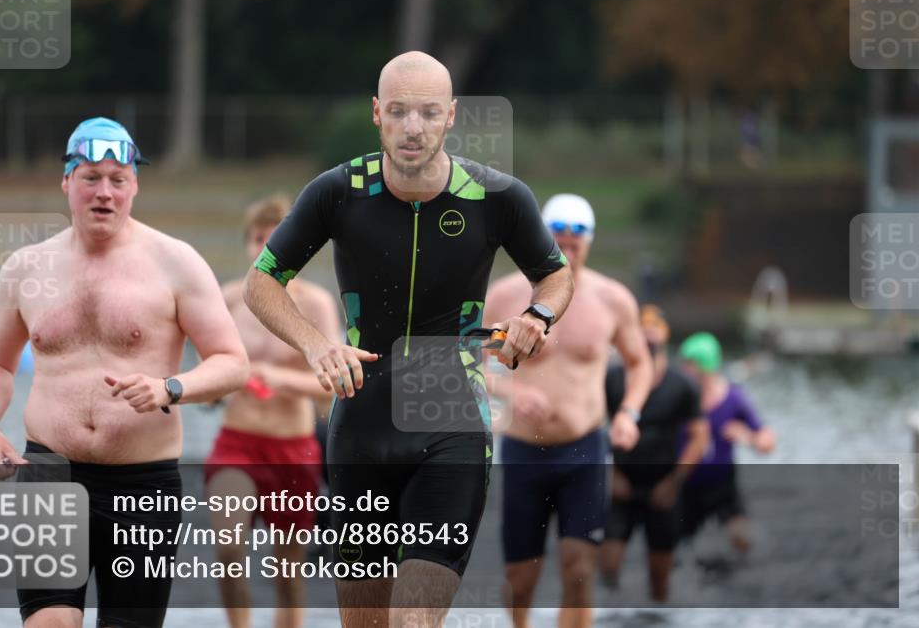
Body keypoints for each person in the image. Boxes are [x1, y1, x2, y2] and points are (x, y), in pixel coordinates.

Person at [242, 51, 574, 628]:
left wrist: (538, 315)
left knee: (414, 622)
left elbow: (556, 273)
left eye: (427, 113)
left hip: (453, 423)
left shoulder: (497, 197)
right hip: (361, 428)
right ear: (377, 113)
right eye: (398, 112)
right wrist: (317, 344)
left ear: (450, 116)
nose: (412, 128)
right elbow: (262, 280)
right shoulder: (338, 191)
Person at [0, 117, 248, 628]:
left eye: (118, 180)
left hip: (143, 484)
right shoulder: (26, 267)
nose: (104, 192)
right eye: (91, 178)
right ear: (67, 183)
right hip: (48, 473)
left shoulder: (176, 262)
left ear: (135, 187)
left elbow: (232, 362)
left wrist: (171, 387)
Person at [482, 193, 652, 628]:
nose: (567, 248)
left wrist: (629, 414)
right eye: (558, 238)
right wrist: (510, 394)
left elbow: (639, 363)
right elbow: (466, 368)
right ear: (542, 237)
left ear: (589, 242)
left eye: (577, 241)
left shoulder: (612, 300)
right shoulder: (504, 296)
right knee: (521, 579)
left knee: (579, 570)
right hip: (523, 451)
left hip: (584, 450)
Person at [206, 196, 342, 628]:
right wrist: (219, 383)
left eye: (275, 240)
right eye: (258, 240)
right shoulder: (228, 299)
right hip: (238, 441)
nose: (266, 248)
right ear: (248, 244)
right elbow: (208, 372)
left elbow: (335, 382)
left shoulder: (317, 304)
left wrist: (281, 379)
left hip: (293, 447)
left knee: (288, 571)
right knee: (227, 548)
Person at [599, 306, 709, 602]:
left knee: (659, 578)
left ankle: (655, 617)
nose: (647, 331)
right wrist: (612, 473)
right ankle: (615, 612)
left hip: (664, 487)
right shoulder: (613, 379)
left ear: (664, 334)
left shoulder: (682, 384)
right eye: (641, 325)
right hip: (623, 485)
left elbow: (700, 438)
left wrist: (674, 482)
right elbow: (593, 426)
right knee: (607, 565)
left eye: (653, 325)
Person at [677, 332, 775, 553]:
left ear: (705, 367)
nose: (683, 369)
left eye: (689, 364)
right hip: (685, 485)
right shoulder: (679, 397)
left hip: (723, 485)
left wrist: (747, 436)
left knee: (743, 540)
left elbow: (767, 442)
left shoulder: (734, 398)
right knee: (675, 549)